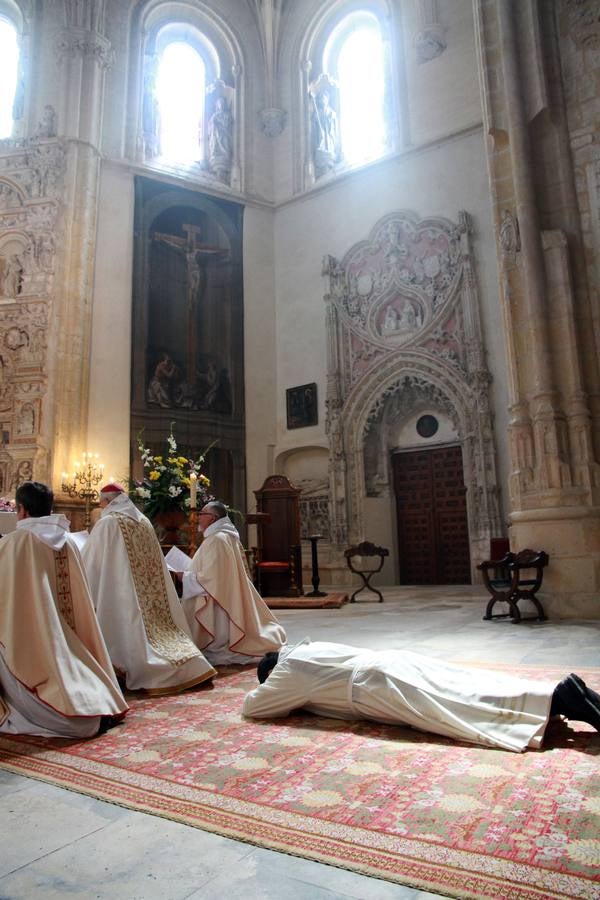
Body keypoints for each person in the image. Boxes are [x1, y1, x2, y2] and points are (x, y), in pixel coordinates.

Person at [243, 639, 600, 753]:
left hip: (376, 687)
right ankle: (559, 694)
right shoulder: (306, 648)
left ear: (273, 673)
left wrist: (267, 687)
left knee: (457, 708)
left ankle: (560, 699)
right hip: (390, 661)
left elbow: (255, 707)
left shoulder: (288, 673)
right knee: (464, 684)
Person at [0, 482, 128, 737]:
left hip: (30, 636)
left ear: (22, 510)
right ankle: (95, 704)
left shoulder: (16, 542)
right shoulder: (67, 541)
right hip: (68, 631)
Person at [81, 483, 216, 694]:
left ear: (107, 501)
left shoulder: (108, 523)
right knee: (161, 634)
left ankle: (134, 667)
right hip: (152, 592)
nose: (100, 505)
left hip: (123, 590)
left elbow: (90, 563)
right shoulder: (143, 521)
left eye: (101, 501)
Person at [179, 501, 286, 665]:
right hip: (225, 595)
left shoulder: (217, 539)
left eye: (201, 514)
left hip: (219, 604)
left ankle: (222, 642)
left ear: (213, 518)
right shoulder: (225, 536)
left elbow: (211, 579)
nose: (197, 518)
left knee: (219, 644)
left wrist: (184, 577)